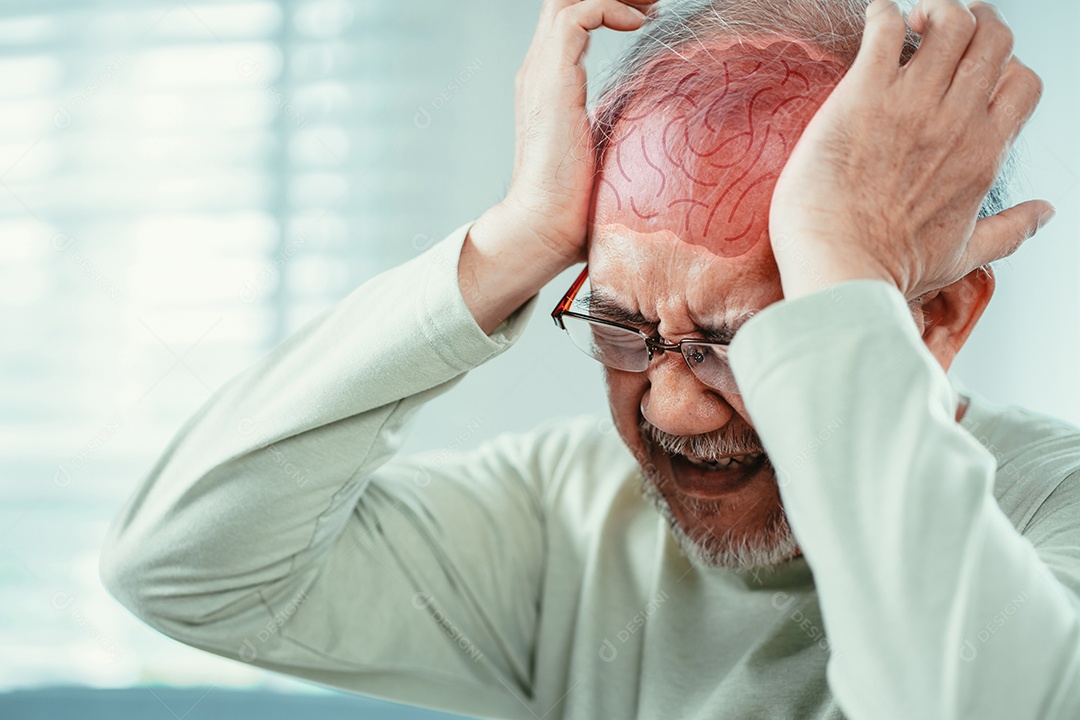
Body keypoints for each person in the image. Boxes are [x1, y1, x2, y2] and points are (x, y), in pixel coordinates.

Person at [100, 0, 1080, 717]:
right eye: (623, 327)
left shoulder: (1059, 512)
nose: (675, 412)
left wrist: (839, 265)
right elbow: (183, 569)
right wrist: (512, 243)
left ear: (938, 319)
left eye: (746, 342)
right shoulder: (563, 517)